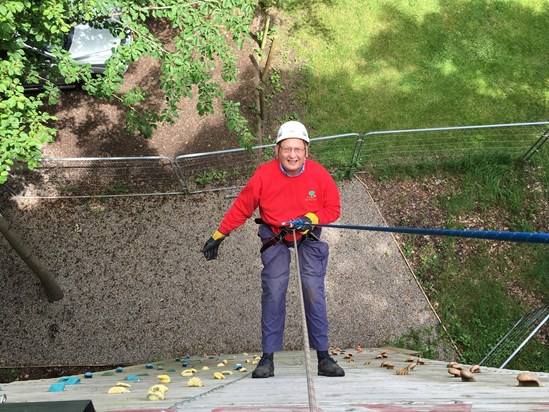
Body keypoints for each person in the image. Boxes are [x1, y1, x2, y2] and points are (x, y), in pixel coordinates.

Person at [202, 120, 344, 378]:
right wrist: (219, 234)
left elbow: (333, 209)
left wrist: (310, 218)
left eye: (298, 149)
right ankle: (267, 358)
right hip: (275, 235)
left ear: (306, 152)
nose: (292, 155)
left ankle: (323, 356)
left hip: (308, 234)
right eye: (287, 149)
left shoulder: (320, 175)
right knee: (274, 290)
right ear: (276, 150)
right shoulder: (264, 175)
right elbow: (243, 206)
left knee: (313, 290)